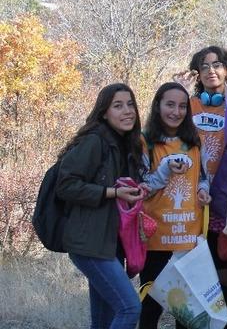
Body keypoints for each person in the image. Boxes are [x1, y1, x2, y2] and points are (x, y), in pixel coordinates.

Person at [56, 83, 147, 329]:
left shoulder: (125, 143)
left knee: (104, 319)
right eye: (118, 106)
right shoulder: (94, 141)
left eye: (130, 105)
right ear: (104, 112)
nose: (127, 111)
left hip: (110, 242)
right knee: (129, 307)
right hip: (90, 243)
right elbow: (65, 185)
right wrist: (112, 192)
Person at [175, 45, 227, 328]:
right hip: (186, 198)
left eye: (218, 65)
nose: (211, 70)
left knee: (221, 266)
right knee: (186, 267)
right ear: (197, 73)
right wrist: (181, 94)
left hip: (221, 200)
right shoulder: (186, 105)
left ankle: (224, 324)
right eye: (205, 66)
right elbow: (171, 137)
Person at [138, 82, 210, 329]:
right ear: (157, 106)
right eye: (170, 104)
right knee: (150, 304)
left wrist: (203, 191)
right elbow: (141, 188)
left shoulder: (193, 141)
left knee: (185, 307)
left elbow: (202, 177)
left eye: (182, 106)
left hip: (188, 236)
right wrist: (165, 170)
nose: (176, 112)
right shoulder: (144, 142)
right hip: (155, 236)